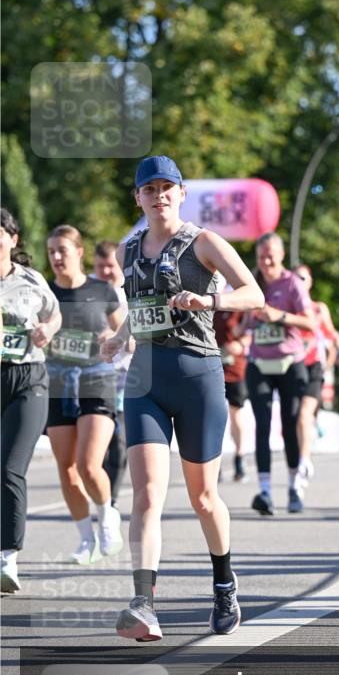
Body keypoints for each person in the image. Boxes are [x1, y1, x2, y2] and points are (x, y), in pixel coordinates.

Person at [101, 155, 264, 641]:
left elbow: (252, 293)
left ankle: (224, 582)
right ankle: (144, 602)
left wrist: (208, 301)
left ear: (181, 192)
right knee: (147, 492)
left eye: (166, 187)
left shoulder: (204, 242)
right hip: (146, 380)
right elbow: (141, 306)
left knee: (203, 497)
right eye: (149, 189)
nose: (158, 196)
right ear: (138, 198)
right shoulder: (130, 250)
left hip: (198, 378)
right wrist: (120, 337)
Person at [46, 225, 126, 564]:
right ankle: (85, 539)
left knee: (88, 464)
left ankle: (108, 515)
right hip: (58, 386)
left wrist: (114, 338)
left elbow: (129, 335)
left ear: (79, 252)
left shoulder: (102, 290)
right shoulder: (45, 293)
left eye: (62, 250)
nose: (56, 257)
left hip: (97, 381)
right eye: (51, 251)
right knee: (66, 469)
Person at [1, 210, 61, 593]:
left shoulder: (31, 280)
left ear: (13, 239)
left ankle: (7, 557)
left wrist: (46, 330)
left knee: (9, 468)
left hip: (28, 378)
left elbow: (55, 317)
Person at [245, 233, 314, 516]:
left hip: (289, 363)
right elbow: (245, 321)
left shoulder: (292, 283)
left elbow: (310, 322)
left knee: (290, 424)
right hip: (259, 363)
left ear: (282, 254)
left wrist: (279, 317)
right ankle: (264, 491)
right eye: (262, 256)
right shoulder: (252, 282)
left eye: (271, 254)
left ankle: (295, 487)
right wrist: (242, 329)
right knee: (261, 425)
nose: (267, 260)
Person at [92, 240, 134, 505]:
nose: (105, 272)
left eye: (109, 266)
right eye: (100, 267)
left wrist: (117, 338)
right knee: (97, 442)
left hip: (125, 373)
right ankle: (100, 495)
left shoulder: (130, 294)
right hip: (92, 375)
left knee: (118, 440)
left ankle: (112, 501)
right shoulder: (88, 292)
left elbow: (139, 341)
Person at [293, 263, 339, 483]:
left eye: (304, 279)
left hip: (314, 367)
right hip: (290, 368)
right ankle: (301, 451)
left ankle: (304, 461)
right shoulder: (286, 310)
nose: (300, 283)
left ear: (311, 282)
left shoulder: (318, 309)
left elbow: (332, 338)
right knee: (296, 417)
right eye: (296, 279)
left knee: (304, 414)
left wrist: (330, 360)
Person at [212, 306, 249, 482]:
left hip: (235, 368)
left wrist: (241, 344)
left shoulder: (239, 305)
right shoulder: (208, 301)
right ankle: (213, 463)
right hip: (212, 366)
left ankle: (239, 457)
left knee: (236, 414)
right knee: (213, 416)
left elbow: (251, 330)